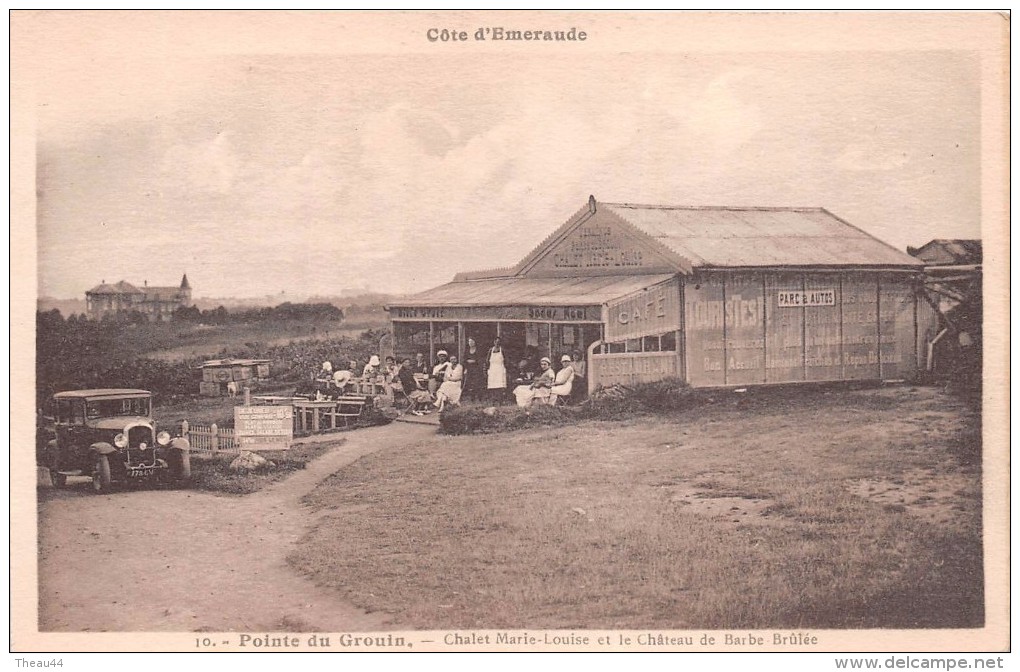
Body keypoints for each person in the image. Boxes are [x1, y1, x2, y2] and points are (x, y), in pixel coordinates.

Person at [485, 337, 508, 404]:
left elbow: (506, 359)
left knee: (500, 385)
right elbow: (487, 360)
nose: (497, 343)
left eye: (498, 342)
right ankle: (493, 400)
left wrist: (505, 367)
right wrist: (487, 369)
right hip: (492, 369)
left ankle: (500, 400)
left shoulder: (502, 350)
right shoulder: (490, 350)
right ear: (494, 342)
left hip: (500, 368)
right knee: (493, 385)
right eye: (495, 341)